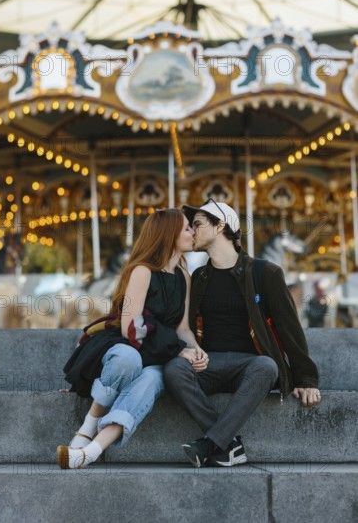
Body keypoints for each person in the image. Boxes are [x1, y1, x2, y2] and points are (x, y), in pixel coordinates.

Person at [164, 199, 321, 468]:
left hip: (248, 366)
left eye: (198, 224)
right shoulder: (198, 276)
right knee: (174, 370)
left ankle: (209, 444)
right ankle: (226, 444)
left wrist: (305, 378)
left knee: (267, 365)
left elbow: (289, 327)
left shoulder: (265, 272)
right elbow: (185, 327)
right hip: (208, 365)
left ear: (220, 226)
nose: (193, 230)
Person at [57, 209, 208, 470]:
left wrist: (196, 350)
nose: (193, 232)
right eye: (186, 228)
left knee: (151, 379)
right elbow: (132, 327)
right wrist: (177, 351)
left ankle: (90, 452)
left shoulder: (184, 277)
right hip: (129, 346)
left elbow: (182, 328)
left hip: (158, 356)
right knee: (129, 359)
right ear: (169, 234)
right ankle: (89, 424)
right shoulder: (142, 271)